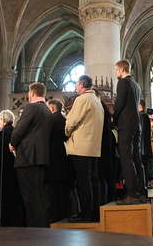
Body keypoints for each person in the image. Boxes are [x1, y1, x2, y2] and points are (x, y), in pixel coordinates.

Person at [10, 82, 52, 227]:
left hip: (28, 158)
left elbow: (19, 130)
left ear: (32, 93)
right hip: (41, 158)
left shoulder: (31, 107)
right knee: (39, 196)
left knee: (29, 197)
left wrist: (12, 143)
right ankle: (41, 227)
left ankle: (35, 230)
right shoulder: (47, 110)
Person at [65, 75, 104, 222]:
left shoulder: (82, 99)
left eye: (76, 84)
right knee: (93, 181)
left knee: (83, 183)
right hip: (93, 148)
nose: (75, 87)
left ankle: (86, 215)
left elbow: (71, 122)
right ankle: (94, 213)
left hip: (81, 147)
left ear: (82, 84)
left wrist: (66, 132)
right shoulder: (96, 100)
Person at [114, 59, 146, 205]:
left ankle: (131, 193)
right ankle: (141, 190)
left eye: (116, 70)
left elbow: (119, 104)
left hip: (126, 125)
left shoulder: (123, 83)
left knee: (126, 158)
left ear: (121, 69)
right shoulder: (136, 85)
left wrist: (114, 120)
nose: (116, 73)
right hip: (136, 125)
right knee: (136, 157)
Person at [0, 110, 24, 226]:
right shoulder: (15, 131)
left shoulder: (2, 134)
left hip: (3, 171)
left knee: (4, 200)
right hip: (15, 170)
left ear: (3, 120)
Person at [46, 98, 70, 222]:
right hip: (63, 156)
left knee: (53, 190)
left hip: (52, 157)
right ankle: (64, 213)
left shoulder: (51, 120)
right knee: (62, 189)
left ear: (52, 108)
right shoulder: (64, 120)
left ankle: (54, 216)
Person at [138, 99, 153, 187]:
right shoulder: (145, 116)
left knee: (143, 167)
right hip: (145, 147)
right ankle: (144, 184)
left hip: (142, 148)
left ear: (140, 106)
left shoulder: (142, 116)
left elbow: (141, 132)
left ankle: (143, 184)